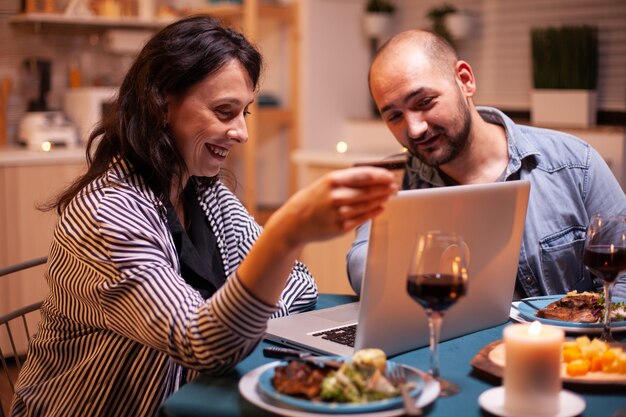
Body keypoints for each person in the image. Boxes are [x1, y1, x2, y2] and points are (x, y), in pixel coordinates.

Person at [11, 16, 397, 417]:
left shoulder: (205, 193)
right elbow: (205, 345)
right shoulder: (107, 214)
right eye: (223, 111)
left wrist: (230, 319)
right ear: (161, 104)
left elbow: (299, 281)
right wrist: (286, 233)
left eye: (244, 112)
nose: (242, 133)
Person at [347, 29, 626, 300]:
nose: (415, 128)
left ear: (465, 80)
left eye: (425, 101)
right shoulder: (394, 181)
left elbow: (623, 276)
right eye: (395, 116)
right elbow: (360, 267)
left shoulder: (575, 163)